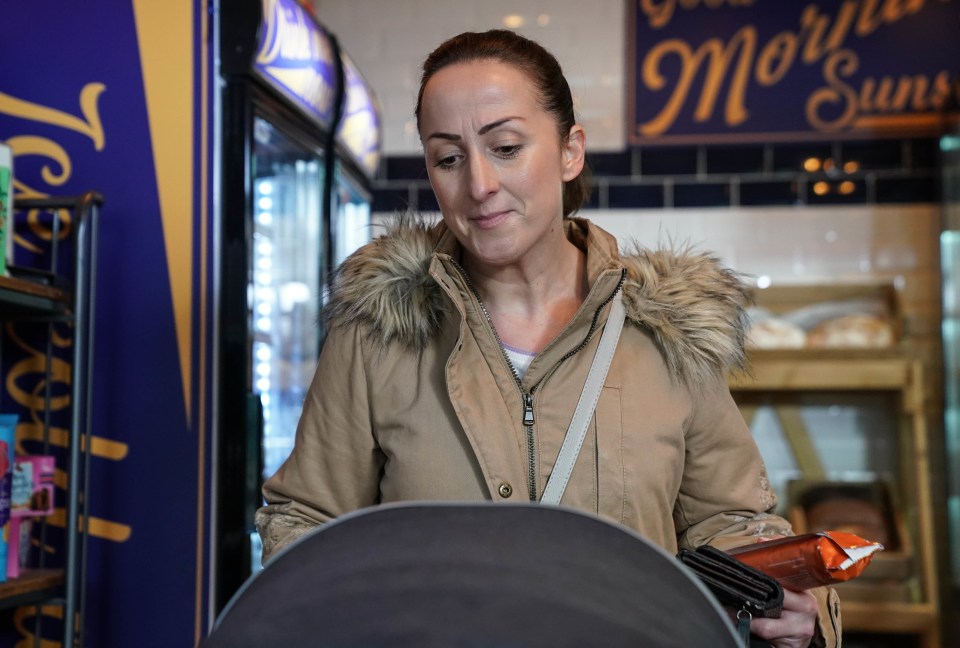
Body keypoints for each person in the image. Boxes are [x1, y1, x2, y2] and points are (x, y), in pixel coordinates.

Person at [256, 29, 840, 647]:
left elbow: (733, 523)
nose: (478, 184)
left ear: (570, 152)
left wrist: (796, 607)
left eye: (505, 147)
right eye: (448, 158)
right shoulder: (377, 330)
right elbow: (307, 521)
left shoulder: (665, 328)